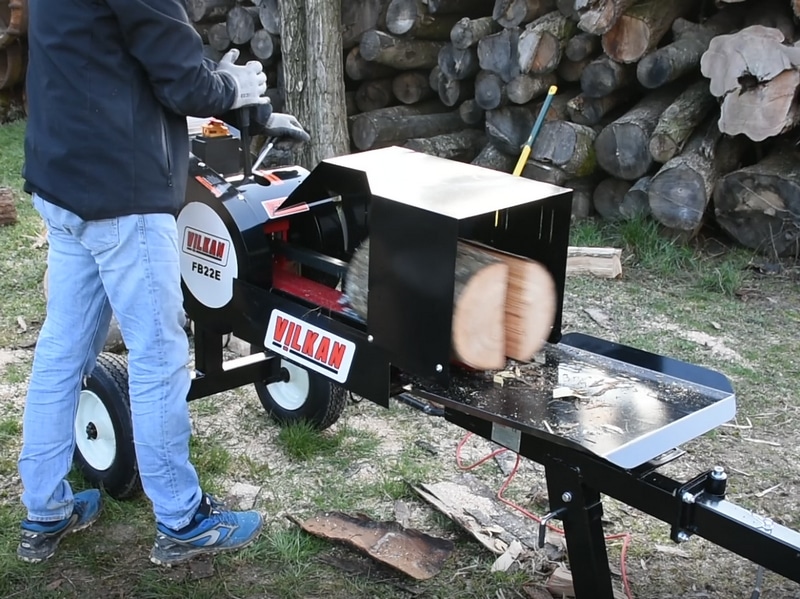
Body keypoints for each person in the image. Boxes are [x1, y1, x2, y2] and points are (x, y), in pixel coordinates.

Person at [17, 0, 308, 566]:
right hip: (119, 192)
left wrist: (217, 83)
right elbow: (184, 85)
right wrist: (235, 84)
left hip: (61, 173)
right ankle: (182, 519)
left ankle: (44, 508)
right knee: (158, 356)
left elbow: (120, 54)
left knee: (62, 349)